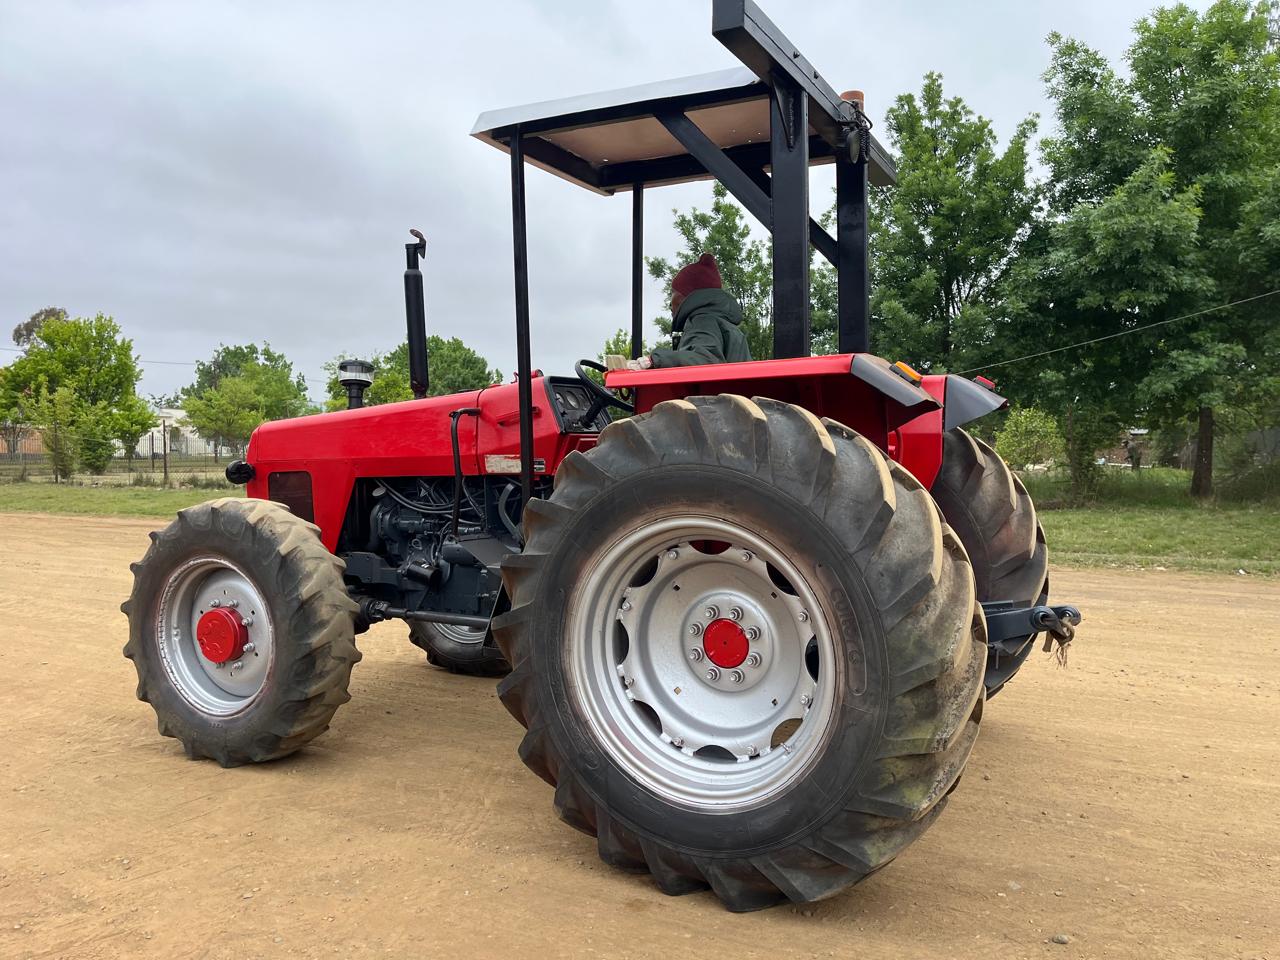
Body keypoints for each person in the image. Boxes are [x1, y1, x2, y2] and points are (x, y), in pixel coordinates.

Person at [625, 254, 752, 369]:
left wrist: (655, 360)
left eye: (672, 293)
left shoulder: (702, 321)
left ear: (686, 296)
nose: (670, 303)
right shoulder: (729, 328)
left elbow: (706, 361)